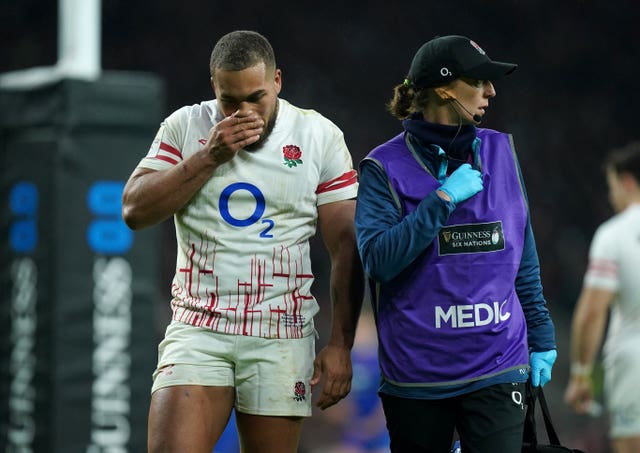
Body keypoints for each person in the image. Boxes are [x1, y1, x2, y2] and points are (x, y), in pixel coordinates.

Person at [121, 30, 364, 453]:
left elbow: (346, 245)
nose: (244, 111)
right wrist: (208, 156)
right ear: (214, 86)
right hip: (199, 329)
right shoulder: (186, 127)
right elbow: (135, 211)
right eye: (230, 101)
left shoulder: (317, 136)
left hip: (280, 333)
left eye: (257, 97)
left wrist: (341, 345)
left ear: (278, 82)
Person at [354, 35, 557, 453]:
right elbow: (378, 261)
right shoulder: (383, 167)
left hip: (498, 364)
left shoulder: (502, 150)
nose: (491, 91)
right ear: (445, 88)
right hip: (417, 377)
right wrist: (441, 201)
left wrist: (542, 336)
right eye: (479, 81)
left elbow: (523, 256)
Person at [564, 141, 640, 453]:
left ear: (626, 182)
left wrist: (581, 375)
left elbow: (592, 311)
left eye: (612, 187)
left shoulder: (615, 234)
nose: (611, 197)